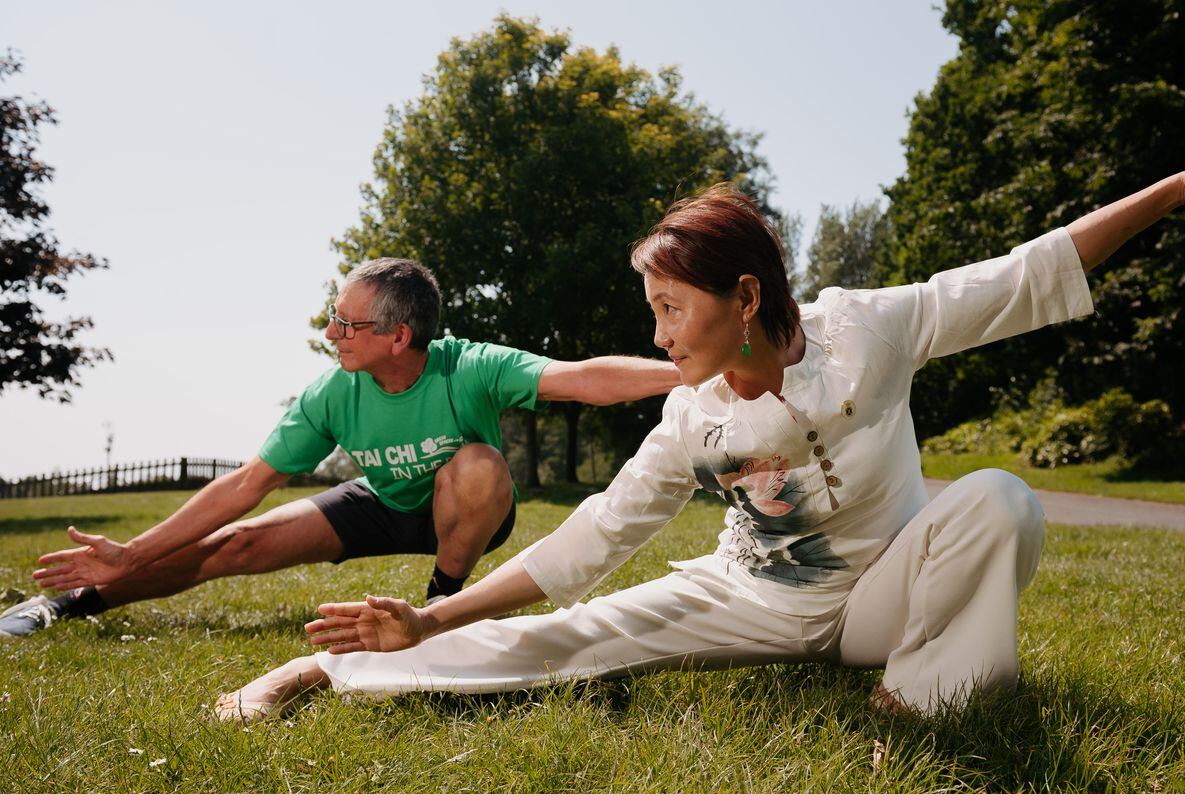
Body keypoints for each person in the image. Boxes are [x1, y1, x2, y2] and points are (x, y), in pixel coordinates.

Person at [216, 171, 1185, 721]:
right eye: (654, 314)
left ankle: (917, 706)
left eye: (671, 310)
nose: (660, 337)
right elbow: (589, 542)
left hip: (880, 603)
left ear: (745, 297)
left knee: (1000, 501)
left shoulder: (872, 328)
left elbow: (1031, 274)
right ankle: (325, 676)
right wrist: (429, 621)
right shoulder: (691, 417)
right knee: (573, 637)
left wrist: (1175, 190)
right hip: (750, 598)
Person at [5, 258, 680, 638]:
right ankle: (70, 605)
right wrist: (133, 552)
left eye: (346, 322)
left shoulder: (468, 364)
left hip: (466, 507)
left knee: (477, 465)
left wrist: (695, 371)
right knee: (233, 545)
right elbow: (246, 485)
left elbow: (585, 379)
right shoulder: (333, 392)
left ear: (399, 336)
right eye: (333, 315)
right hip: (381, 503)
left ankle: (435, 608)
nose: (331, 332)